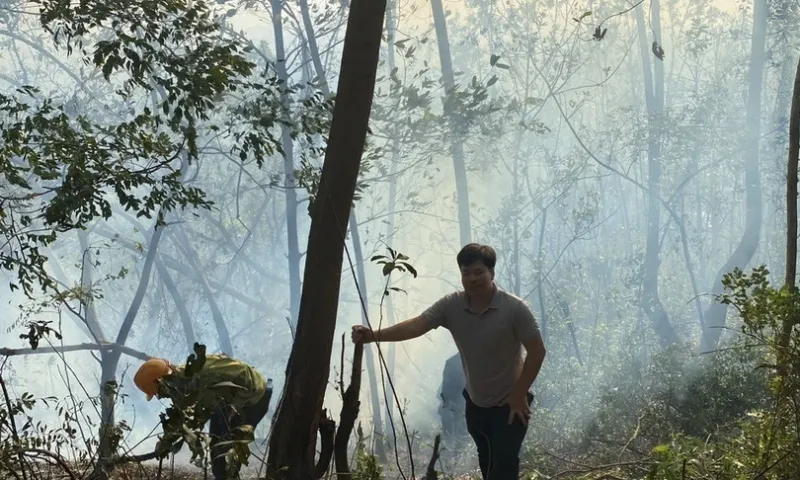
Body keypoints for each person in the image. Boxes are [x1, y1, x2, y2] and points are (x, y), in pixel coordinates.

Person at [352, 243, 546, 480]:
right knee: (488, 464)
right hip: (477, 405)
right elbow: (417, 325)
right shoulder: (452, 305)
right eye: (466, 273)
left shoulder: (515, 309)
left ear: (492, 274)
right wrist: (373, 335)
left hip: (511, 405)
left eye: (478, 272)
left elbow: (537, 352)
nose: (472, 279)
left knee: (503, 466)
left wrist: (519, 394)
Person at [133, 353, 272, 480]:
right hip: (229, 400)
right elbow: (182, 417)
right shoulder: (181, 384)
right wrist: (165, 442)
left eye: (159, 392)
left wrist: (235, 408)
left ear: (162, 381)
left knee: (222, 449)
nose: (161, 396)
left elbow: (245, 376)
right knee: (218, 447)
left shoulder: (202, 375)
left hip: (255, 396)